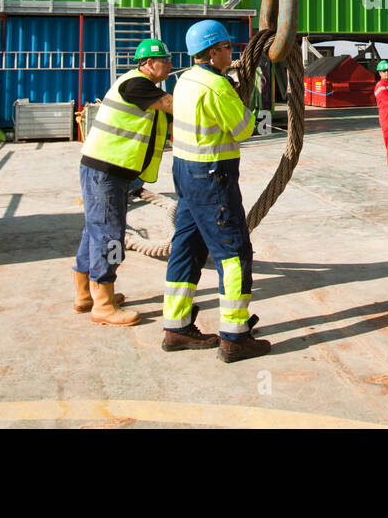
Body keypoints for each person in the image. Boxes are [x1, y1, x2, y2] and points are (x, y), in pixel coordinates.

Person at [163, 19, 269, 362]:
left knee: (187, 247)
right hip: (212, 177)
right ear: (212, 53)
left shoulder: (184, 81)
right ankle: (235, 335)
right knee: (234, 252)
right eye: (226, 48)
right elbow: (243, 129)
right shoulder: (218, 87)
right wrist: (244, 97)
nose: (231, 52)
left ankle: (176, 326)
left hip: (184, 172)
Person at [75, 38, 174, 326]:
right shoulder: (136, 85)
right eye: (164, 59)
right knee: (109, 235)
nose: (169, 63)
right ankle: (104, 305)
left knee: (93, 231)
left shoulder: (140, 85)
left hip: (111, 171)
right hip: (105, 171)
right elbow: (173, 106)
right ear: (148, 63)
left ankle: (85, 295)